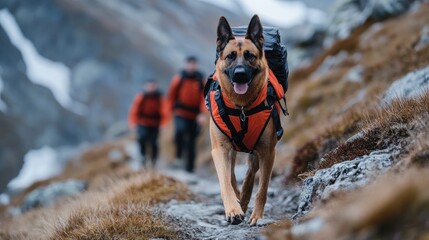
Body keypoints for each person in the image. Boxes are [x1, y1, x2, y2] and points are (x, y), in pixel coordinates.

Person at [168, 56, 206, 173]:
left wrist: (202, 114)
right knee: (180, 131)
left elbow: (204, 98)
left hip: (195, 116)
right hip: (180, 113)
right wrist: (169, 112)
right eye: (189, 64)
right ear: (185, 64)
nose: (191, 66)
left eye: (193, 64)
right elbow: (171, 96)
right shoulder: (179, 78)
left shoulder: (201, 79)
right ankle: (178, 157)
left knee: (191, 141)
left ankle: (190, 169)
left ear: (196, 65)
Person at [128, 80, 164, 168]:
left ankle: (154, 161)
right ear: (146, 86)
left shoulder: (160, 97)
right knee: (142, 138)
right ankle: (142, 157)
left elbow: (165, 111)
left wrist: (163, 124)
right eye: (149, 86)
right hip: (143, 123)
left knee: (154, 143)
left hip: (155, 124)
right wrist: (133, 123)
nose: (151, 88)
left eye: (153, 86)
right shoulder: (141, 97)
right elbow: (134, 110)